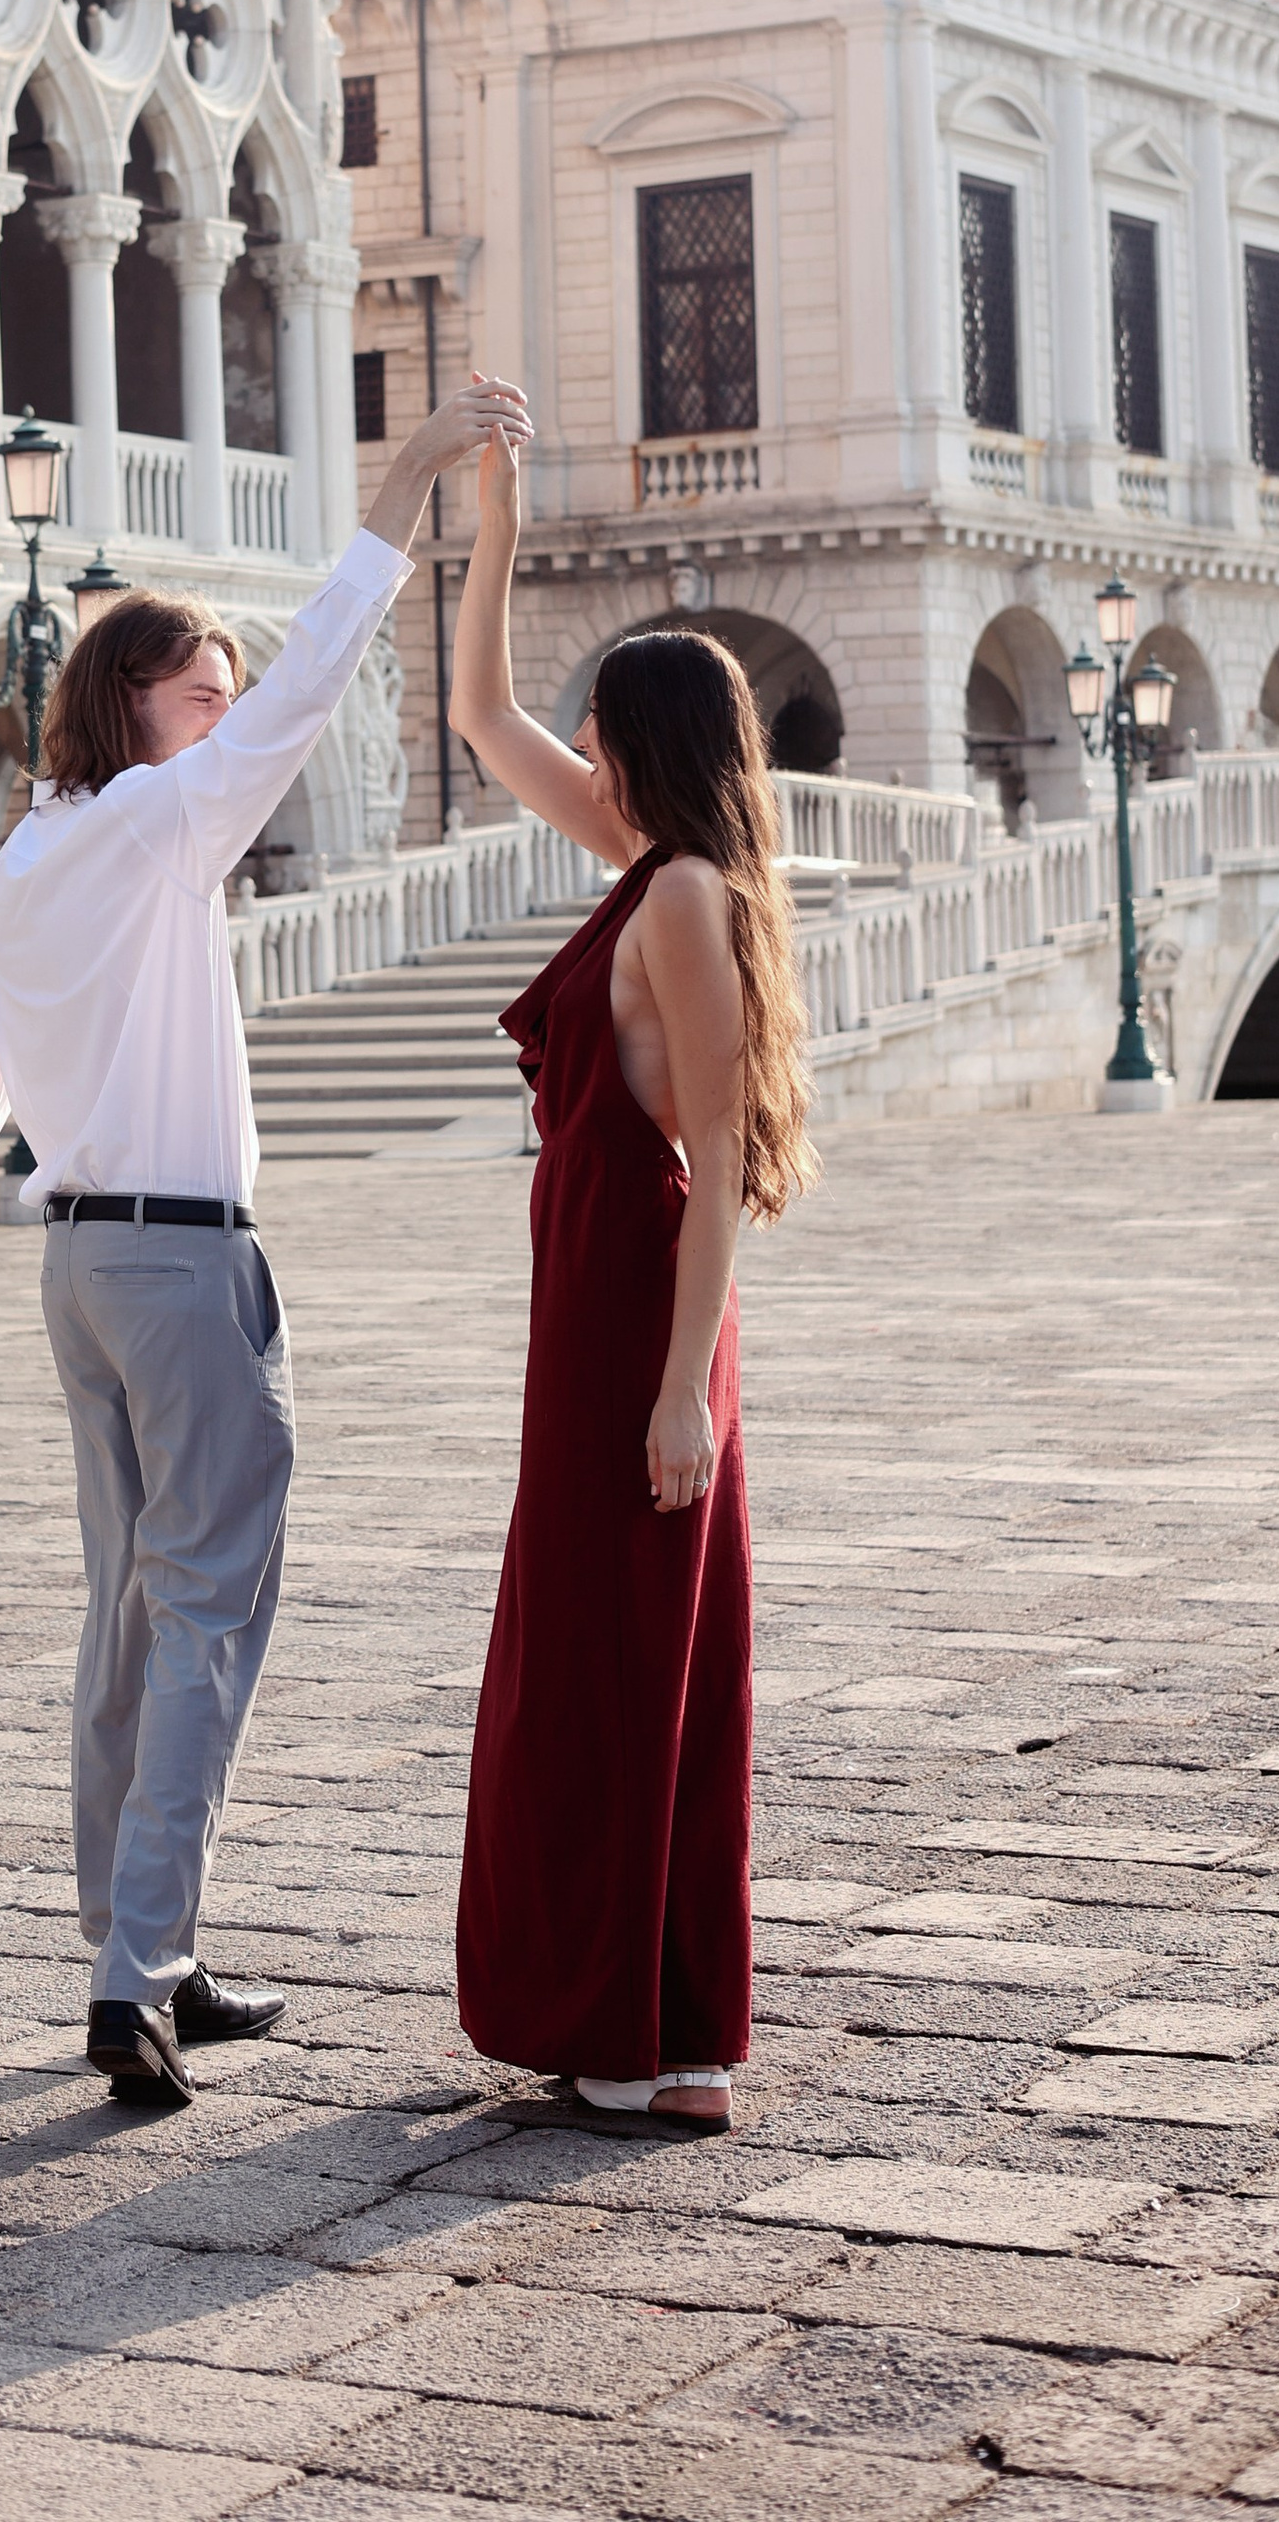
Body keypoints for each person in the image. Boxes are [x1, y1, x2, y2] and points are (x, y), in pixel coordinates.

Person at [0, 372, 535, 2110]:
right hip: (182, 1268)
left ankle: (143, 1942)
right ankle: (135, 1972)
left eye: (225, 699)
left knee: (126, 1611)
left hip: (75, 1272)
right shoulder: (159, 815)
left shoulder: (29, 856)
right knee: (204, 1613)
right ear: (132, 702)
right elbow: (319, 677)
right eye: (202, 693)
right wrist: (406, 486)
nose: (229, 719)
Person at [445, 411, 815, 2126]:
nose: (576, 741)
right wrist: (498, 525)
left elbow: (721, 1149)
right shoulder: (657, 869)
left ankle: (645, 2034)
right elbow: (479, 715)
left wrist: (681, 1392)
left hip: (639, 1315)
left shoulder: (680, 899)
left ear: (648, 741)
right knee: (605, 1649)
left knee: (615, 1661)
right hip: (600, 1299)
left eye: (600, 722)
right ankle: (652, 2030)